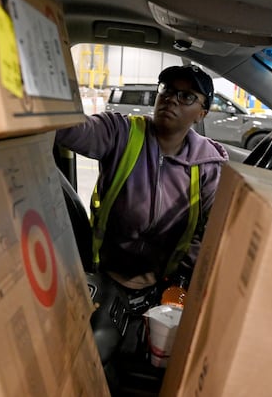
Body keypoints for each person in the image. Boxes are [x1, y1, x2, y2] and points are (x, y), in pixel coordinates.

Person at [55, 64, 229, 295]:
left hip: (163, 286)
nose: (171, 99)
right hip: (101, 273)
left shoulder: (208, 165)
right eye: (167, 90)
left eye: (186, 96)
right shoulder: (122, 132)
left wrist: (180, 284)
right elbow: (72, 130)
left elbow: (210, 233)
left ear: (202, 113)